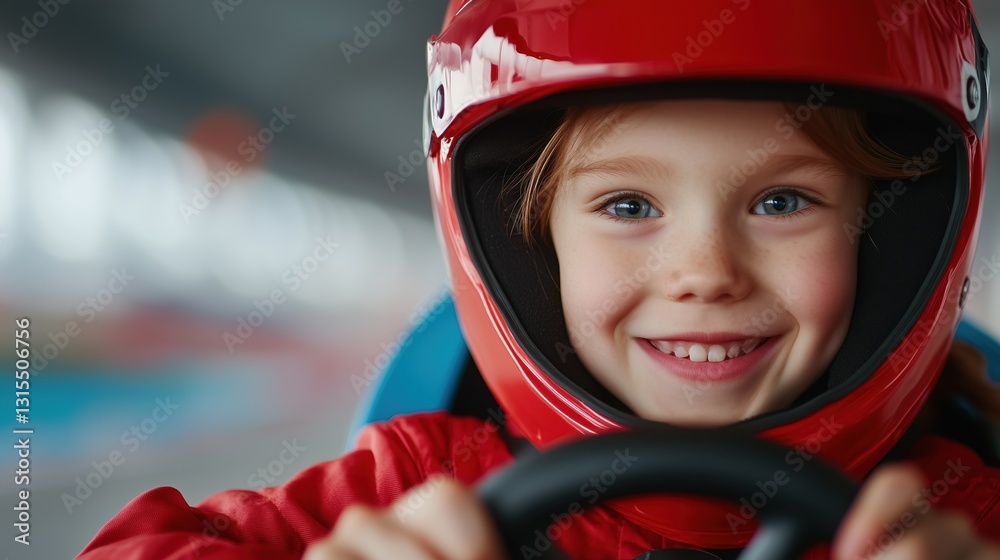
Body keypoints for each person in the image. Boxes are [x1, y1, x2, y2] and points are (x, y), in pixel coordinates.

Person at [78, 0, 1000, 558]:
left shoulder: (961, 520)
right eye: (630, 207)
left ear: (888, 242)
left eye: (783, 203)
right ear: (532, 247)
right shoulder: (417, 490)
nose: (706, 274)